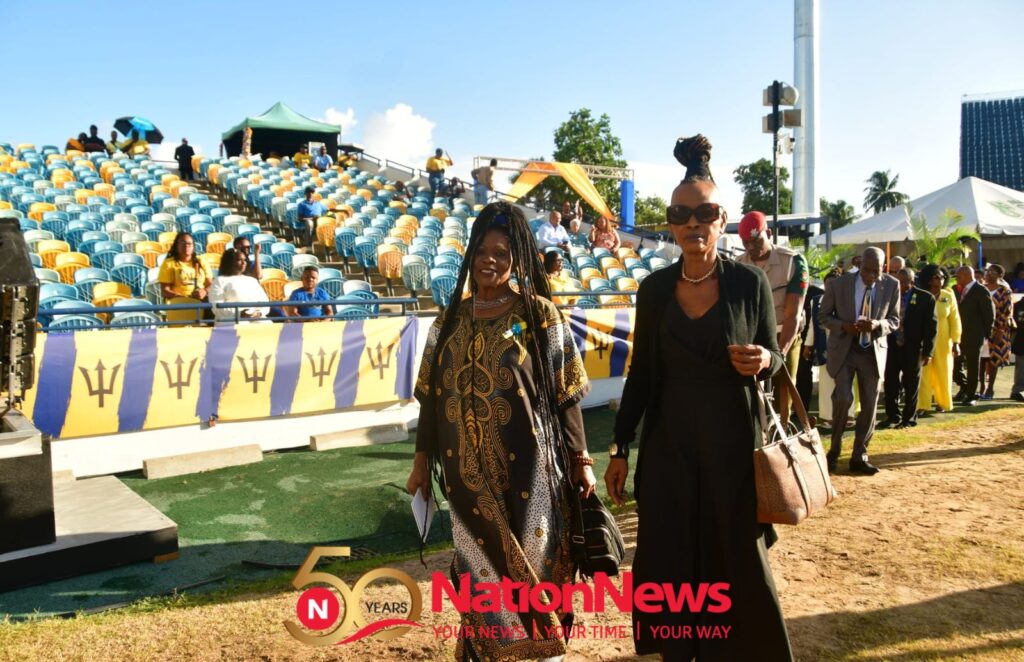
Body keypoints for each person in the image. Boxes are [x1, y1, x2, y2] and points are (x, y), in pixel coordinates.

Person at [605, 135, 792, 660]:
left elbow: (778, 357)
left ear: (722, 219)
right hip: (669, 452)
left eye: (704, 213)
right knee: (671, 561)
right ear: (670, 224)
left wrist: (764, 359)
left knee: (737, 558)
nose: (693, 223)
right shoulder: (654, 289)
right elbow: (641, 374)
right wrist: (620, 448)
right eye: (680, 215)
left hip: (733, 449)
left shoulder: (748, 283)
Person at [405, 201, 593, 662]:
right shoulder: (447, 322)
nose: (489, 259)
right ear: (470, 254)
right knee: (480, 568)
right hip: (465, 479)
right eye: (482, 250)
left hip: (533, 475)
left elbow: (567, 393)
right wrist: (420, 462)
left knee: (537, 563)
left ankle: (542, 652)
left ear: (519, 259)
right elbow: (430, 399)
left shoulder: (540, 315)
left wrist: (581, 459)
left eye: (502, 252)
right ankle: (484, 652)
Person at [818, 246, 901, 475]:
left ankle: (859, 456)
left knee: (870, 404)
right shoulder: (839, 284)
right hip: (845, 349)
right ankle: (834, 451)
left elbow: (894, 320)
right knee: (843, 399)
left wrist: (877, 325)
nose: (871, 275)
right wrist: (844, 326)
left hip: (872, 351)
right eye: (866, 270)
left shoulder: (892, 285)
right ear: (859, 264)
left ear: (884, 268)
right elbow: (823, 316)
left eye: (876, 271)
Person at [736, 210, 809, 428]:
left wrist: (779, 355)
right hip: (753, 337)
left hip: (784, 333)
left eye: (756, 241)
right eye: (746, 243)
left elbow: (793, 315)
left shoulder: (793, 262)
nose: (751, 247)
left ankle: (782, 430)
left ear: (768, 233)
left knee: (783, 390)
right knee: (748, 391)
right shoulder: (738, 265)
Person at [881, 267, 937, 429]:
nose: (900, 285)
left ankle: (908, 419)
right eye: (897, 282)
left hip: (913, 348)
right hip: (891, 346)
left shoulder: (925, 298)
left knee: (911, 384)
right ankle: (892, 415)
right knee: (890, 383)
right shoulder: (888, 296)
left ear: (912, 282)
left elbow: (931, 327)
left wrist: (928, 352)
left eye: (904, 282)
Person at [917, 265, 962, 415]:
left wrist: (956, 342)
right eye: (936, 277)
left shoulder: (948, 296)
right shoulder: (921, 295)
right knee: (924, 372)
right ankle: (922, 404)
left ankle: (943, 402)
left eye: (942, 277)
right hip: (924, 338)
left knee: (944, 371)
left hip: (944, 340)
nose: (940, 280)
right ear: (928, 279)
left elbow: (955, 320)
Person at [953, 265, 995, 406]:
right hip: (958, 334)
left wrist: (986, 334)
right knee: (955, 364)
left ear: (966, 275)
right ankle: (964, 387)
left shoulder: (981, 290)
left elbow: (988, 314)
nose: (956, 278)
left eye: (958, 276)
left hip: (975, 335)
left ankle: (971, 395)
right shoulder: (956, 290)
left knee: (972, 366)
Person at [980, 263, 1015, 399]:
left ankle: (990, 390)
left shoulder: (1005, 291)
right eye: (988, 271)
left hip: (997, 330)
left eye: (993, 272)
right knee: (981, 360)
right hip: (980, 329)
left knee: (993, 360)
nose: (989, 274)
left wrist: (1000, 331)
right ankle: (981, 388)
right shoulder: (981, 288)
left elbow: (1007, 313)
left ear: (1000, 275)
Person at [208, 248, 270, 321]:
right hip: (230, 321)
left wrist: (259, 313)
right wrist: (239, 314)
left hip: (257, 320)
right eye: (239, 260)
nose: (244, 263)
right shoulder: (219, 281)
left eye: (245, 260)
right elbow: (216, 307)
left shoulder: (252, 280)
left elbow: (264, 302)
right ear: (229, 262)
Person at [158, 232, 212, 302]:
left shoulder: (201, 261)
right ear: (176, 246)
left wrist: (205, 291)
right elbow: (165, 291)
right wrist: (182, 297)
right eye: (183, 243)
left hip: (200, 300)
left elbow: (210, 285)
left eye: (189, 244)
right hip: (178, 301)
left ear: (193, 246)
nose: (186, 246)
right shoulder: (169, 263)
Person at [1011, 295, 1024, 402]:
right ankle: (1017, 391)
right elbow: (1012, 326)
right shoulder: (1017, 306)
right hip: (1020, 341)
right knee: (1021, 367)